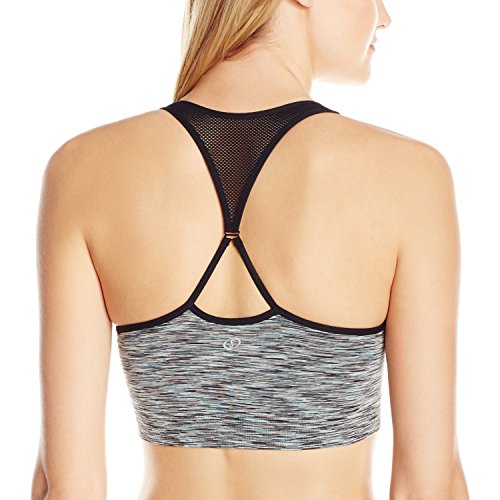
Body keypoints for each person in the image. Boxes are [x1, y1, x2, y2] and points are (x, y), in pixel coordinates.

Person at [31, 0, 470, 499]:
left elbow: (67, 488)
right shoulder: (408, 176)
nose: (384, 15)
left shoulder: (83, 169)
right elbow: (428, 487)